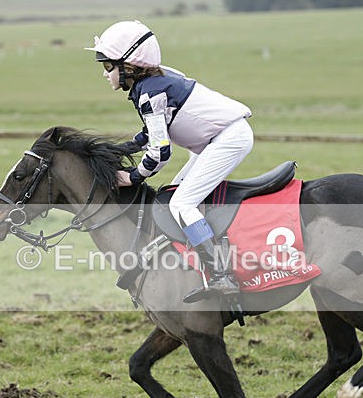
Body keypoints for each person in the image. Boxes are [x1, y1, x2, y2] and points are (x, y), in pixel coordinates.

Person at [86, 20, 254, 302]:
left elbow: (161, 151)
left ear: (129, 67)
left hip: (227, 140)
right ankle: (190, 265)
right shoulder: (152, 83)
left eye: (108, 66)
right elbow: (153, 131)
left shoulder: (150, 92)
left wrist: (134, 177)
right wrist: (124, 148)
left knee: (181, 203)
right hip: (214, 141)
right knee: (170, 198)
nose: (105, 74)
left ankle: (220, 275)